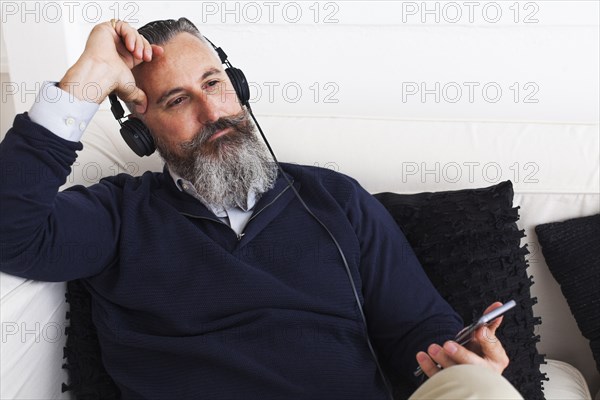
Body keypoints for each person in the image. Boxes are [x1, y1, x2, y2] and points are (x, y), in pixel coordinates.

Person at [0, 17, 522, 399]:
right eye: (177, 101)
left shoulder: (335, 199)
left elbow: (418, 330)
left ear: (238, 86)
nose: (212, 111)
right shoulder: (116, 216)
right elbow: (10, 233)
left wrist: (466, 363)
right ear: (141, 131)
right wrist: (88, 77)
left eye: (214, 84)